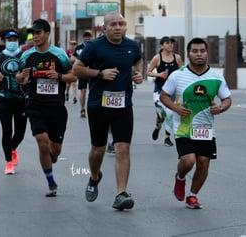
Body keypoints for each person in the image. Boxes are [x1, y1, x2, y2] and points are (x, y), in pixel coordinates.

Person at [73, 11, 143, 210]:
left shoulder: (132, 46)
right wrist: (99, 73)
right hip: (98, 106)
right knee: (98, 150)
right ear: (104, 28)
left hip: (123, 105)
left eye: (121, 23)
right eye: (113, 24)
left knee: (123, 147)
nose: (118, 27)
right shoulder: (93, 47)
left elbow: (137, 61)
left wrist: (137, 73)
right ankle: (94, 177)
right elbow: (77, 69)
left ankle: (121, 193)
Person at [159, 37, 232, 209]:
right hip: (183, 126)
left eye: (202, 51)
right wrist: (176, 108)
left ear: (207, 53)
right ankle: (180, 178)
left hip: (205, 128)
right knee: (189, 160)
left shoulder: (216, 78)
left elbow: (227, 99)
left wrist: (220, 108)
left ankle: (192, 196)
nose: (199, 55)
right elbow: (164, 96)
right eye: (195, 51)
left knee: (203, 162)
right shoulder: (177, 75)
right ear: (188, 54)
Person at [16, 19, 77, 197]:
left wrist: (58, 76)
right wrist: (22, 77)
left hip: (56, 108)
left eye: (38, 33)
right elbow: (19, 77)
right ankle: (51, 182)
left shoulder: (59, 55)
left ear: (47, 34)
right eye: (33, 34)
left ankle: (53, 156)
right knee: (43, 143)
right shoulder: (27, 55)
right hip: (35, 105)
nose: (34, 37)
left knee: (54, 149)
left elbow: (72, 76)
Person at [0, 28, 27, 175]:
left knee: (20, 133)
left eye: (15, 40)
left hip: (21, 98)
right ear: (4, 41)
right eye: (9, 40)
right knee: (7, 130)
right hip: (3, 97)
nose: (12, 43)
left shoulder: (24, 56)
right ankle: (9, 162)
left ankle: (13, 148)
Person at [146, 36, 183, 147]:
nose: (170, 45)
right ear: (162, 46)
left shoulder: (177, 58)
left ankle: (167, 137)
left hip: (172, 91)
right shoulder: (157, 58)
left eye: (171, 43)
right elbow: (148, 72)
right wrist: (159, 74)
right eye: (167, 43)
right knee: (161, 114)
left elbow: (182, 72)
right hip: (159, 90)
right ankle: (158, 127)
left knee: (170, 114)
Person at [73, 30, 93, 118]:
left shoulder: (94, 46)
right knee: (83, 91)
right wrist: (77, 61)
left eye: (89, 36)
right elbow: (73, 57)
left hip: (92, 72)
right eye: (85, 36)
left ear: (91, 37)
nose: (87, 38)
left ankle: (93, 109)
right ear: (83, 38)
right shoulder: (79, 48)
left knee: (93, 91)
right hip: (82, 72)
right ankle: (82, 109)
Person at [65, 39, 78, 104]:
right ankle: (67, 92)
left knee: (74, 84)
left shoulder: (77, 52)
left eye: (74, 45)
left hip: (75, 69)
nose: (73, 46)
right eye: (72, 45)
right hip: (69, 69)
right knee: (68, 84)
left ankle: (75, 97)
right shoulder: (67, 52)